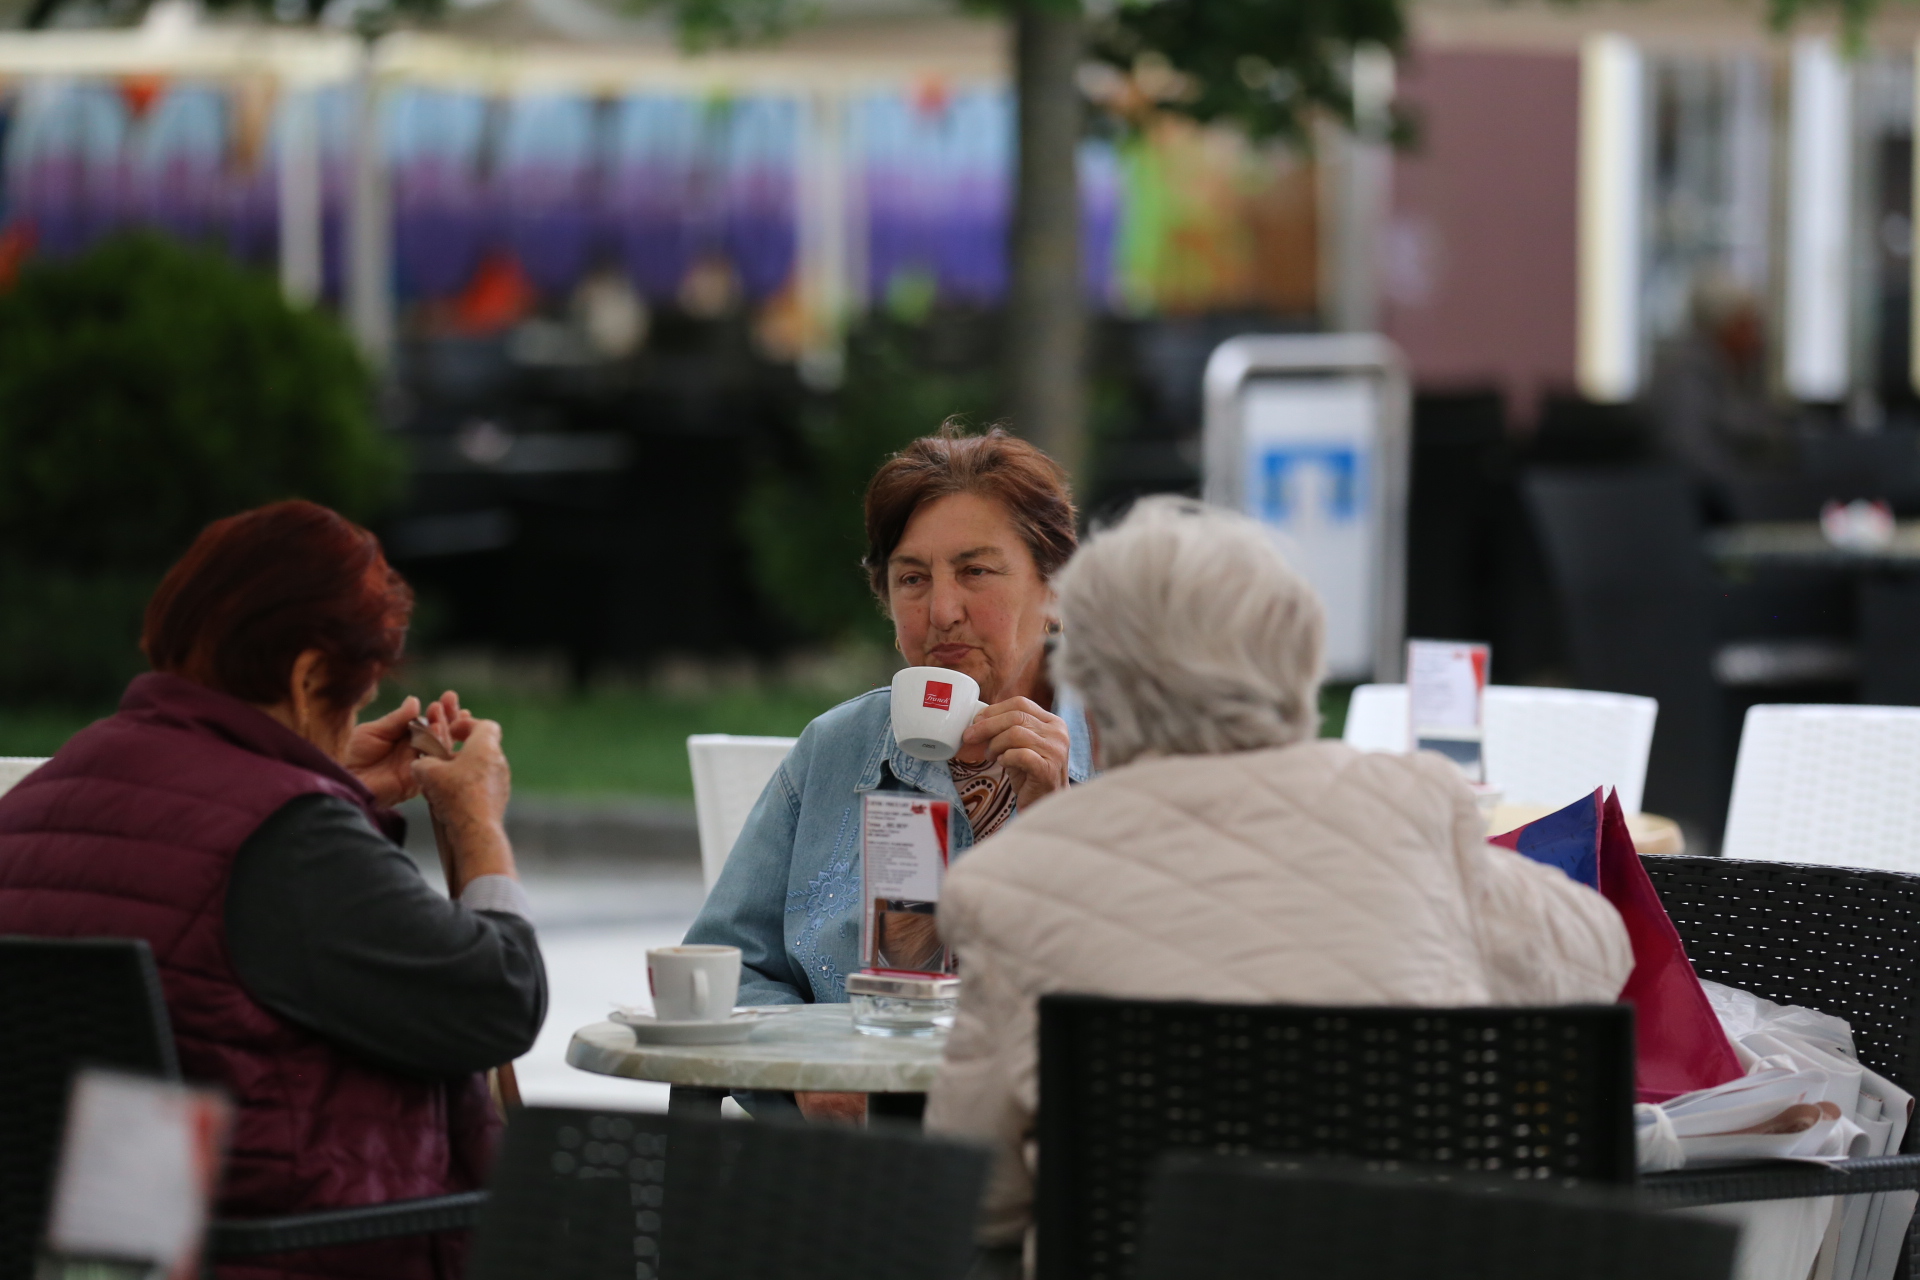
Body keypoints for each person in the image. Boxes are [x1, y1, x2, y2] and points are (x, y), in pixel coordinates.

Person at [924, 496, 1633, 1254]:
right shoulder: (1412, 804)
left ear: (1093, 685)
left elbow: (971, 1200)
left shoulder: (1013, 879)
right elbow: (1600, 959)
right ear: (1299, 661)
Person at [0, 500, 544, 1280]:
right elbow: (500, 1001)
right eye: (354, 696)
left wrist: (323, 782)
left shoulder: (44, 796)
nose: (356, 713)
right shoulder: (291, 844)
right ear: (307, 676)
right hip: (298, 1254)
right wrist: (477, 818)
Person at [684, 425, 1095, 1121]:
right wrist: (804, 1066)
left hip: (1057, 1159)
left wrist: (1057, 821)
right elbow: (721, 970)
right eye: (912, 579)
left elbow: (1158, 990)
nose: (941, 611)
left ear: (1055, 591)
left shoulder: (1134, 751)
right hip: (861, 1167)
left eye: (976, 571)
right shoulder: (837, 752)